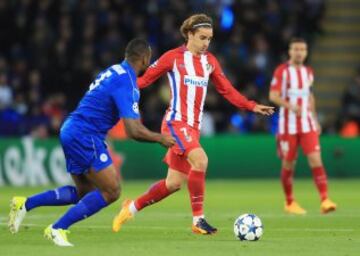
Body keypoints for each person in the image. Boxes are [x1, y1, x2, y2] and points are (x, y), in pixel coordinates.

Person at [112, 14, 274, 235]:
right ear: (189, 34)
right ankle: (198, 220)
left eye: (209, 38)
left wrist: (251, 105)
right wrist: (115, 92)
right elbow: (144, 79)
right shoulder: (173, 57)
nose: (206, 43)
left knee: (173, 183)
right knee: (201, 160)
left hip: (192, 128)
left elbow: (226, 89)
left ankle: (130, 208)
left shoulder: (210, 61)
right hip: (175, 123)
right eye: (202, 37)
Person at [8, 38, 176, 246]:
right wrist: (161, 138)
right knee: (112, 190)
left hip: (71, 128)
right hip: (86, 134)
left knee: (83, 192)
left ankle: (25, 203)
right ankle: (57, 228)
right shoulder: (128, 82)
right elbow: (133, 130)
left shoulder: (113, 70)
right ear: (145, 58)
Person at [269, 37, 337, 215]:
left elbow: (310, 97)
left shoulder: (308, 72)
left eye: (302, 49)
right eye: (296, 49)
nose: (299, 52)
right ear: (290, 51)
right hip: (287, 126)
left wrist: (315, 120)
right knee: (289, 164)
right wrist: (291, 106)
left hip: (307, 124)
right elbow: (273, 96)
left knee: (316, 159)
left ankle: (325, 199)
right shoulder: (282, 71)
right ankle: (289, 202)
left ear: (306, 52)